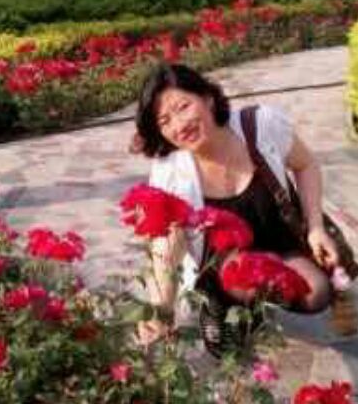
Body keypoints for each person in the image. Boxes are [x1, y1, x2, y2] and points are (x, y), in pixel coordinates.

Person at [131, 63, 342, 356]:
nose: (179, 125)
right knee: (227, 350)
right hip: (221, 265)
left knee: (316, 292)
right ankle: (220, 301)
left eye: (183, 107)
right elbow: (166, 243)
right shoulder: (171, 172)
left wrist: (316, 227)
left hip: (278, 243)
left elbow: (305, 165)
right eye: (164, 121)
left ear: (208, 98)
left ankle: (254, 305)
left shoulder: (260, 126)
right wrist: (162, 309)